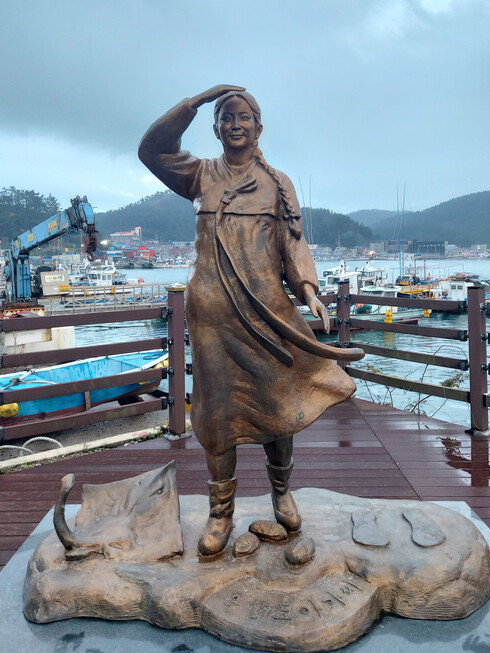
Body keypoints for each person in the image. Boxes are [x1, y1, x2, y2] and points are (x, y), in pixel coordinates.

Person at [138, 85, 363, 556]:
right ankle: (221, 513)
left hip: (267, 313)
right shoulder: (200, 175)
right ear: (216, 129)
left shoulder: (278, 183)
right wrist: (194, 102)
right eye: (225, 118)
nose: (235, 124)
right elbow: (152, 149)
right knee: (218, 414)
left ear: (259, 127)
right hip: (212, 318)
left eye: (243, 117)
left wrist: (308, 290)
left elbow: (293, 244)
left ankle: (282, 492)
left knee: (278, 405)